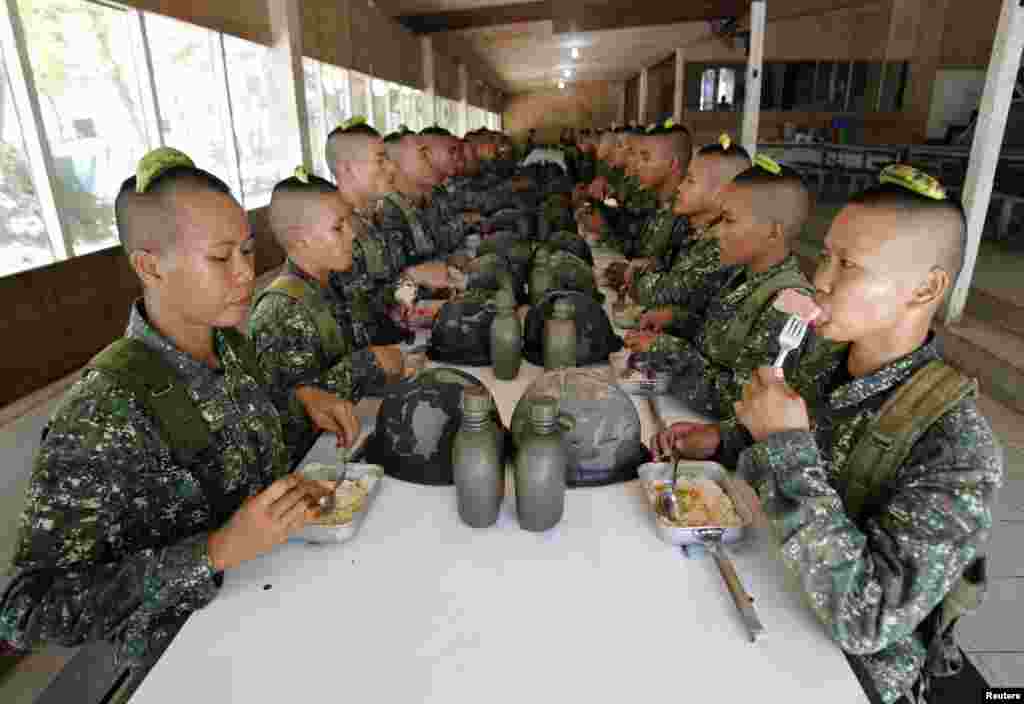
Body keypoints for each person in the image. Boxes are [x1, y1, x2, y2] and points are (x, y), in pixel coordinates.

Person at [651, 165, 1004, 704]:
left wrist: (783, 450)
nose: (820, 279)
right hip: (767, 581)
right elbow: (813, 449)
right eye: (826, 256)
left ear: (926, 287)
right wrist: (724, 441)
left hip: (844, 669)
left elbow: (868, 620)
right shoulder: (824, 361)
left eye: (849, 266)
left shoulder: (957, 446)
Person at [0, 148, 332, 696]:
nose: (247, 273)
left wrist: (301, 405)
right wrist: (213, 552)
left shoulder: (233, 350)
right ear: (149, 265)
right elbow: (27, 609)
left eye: (248, 251)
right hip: (190, 663)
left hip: (276, 598)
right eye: (221, 257)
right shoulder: (105, 408)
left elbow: (240, 459)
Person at [626, 155, 815, 419]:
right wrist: (676, 320)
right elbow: (717, 339)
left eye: (729, 220)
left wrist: (666, 349)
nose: (717, 233)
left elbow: (742, 400)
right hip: (686, 410)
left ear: (773, 233)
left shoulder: (791, 303)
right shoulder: (742, 273)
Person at [248, 168, 404, 461]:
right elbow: (283, 415)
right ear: (300, 239)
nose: (353, 234)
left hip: (356, 430)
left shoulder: (334, 281)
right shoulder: (279, 312)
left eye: (349, 221)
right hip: (317, 461)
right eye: (338, 227)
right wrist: (366, 364)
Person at [631, 136, 752, 340]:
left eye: (690, 180)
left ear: (722, 193)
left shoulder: (723, 248)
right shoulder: (696, 231)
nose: (679, 187)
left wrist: (634, 276)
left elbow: (668, 292)